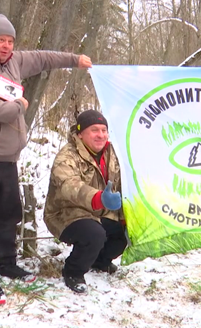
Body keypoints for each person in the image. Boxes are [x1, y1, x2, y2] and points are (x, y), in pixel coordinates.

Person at [0, 13, 93, 306]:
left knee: (8, 213)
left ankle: (7, 263)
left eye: (11, 41)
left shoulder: (11, 61)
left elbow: (42, 58)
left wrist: (75, 59)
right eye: (1, 40)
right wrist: (16, 108)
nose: (6, 46)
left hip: (4, 156)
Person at [44, 110, 127, 294]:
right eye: (94, 130)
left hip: (100, 211)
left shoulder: (113, 152)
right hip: (66, 213)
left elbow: (125, 182)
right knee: (94, 234)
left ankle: (99, 261)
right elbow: (68, 186)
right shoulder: (67, 156)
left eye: (104, 130)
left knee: (125, 233)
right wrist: (98, 198)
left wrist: (124, 215)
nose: (101, 135)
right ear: (80, 134)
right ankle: (73, 271)